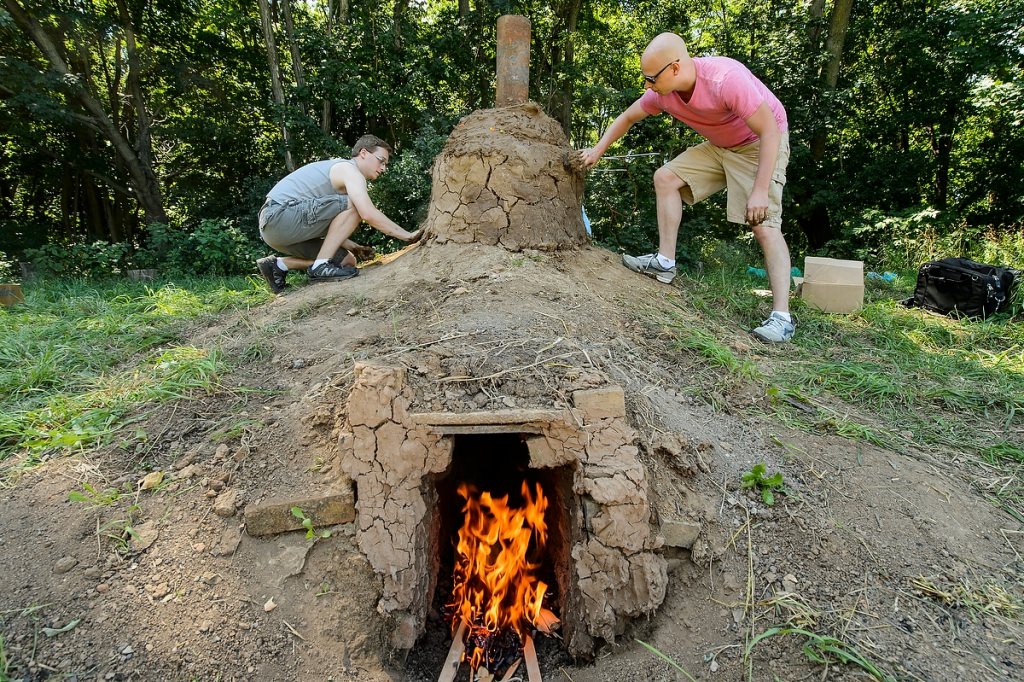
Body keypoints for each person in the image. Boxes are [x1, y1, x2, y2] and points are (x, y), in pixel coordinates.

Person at [579, 33, 795, 343]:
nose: (647, 86)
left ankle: (782, 318)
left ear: (676, 68)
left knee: (764, 225)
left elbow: (770, 131)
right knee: (665, 178)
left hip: (758, 143)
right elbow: (628, 117)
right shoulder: (662, 93)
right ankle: (665, 263)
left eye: (651, 78)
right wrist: (596, 152)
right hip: (721, 145)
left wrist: (760, 190)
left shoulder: (725, 79)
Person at [256, 134, 422, 294]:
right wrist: (408, 236)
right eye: (381, 161)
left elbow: (327, 223)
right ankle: (321, 265)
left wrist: (354, 248)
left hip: (277, 230)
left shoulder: (344, 180)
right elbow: (367, 213)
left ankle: (280, 265)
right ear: (363, 153)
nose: (383, 168)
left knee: (347, 262)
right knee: (355, 205)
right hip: (278, 215)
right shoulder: (349, 170)